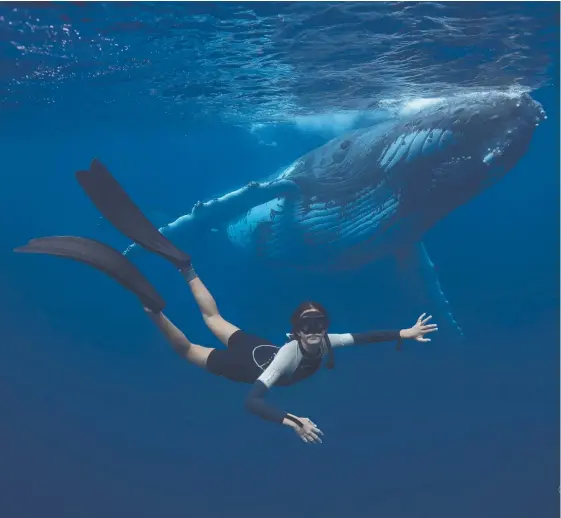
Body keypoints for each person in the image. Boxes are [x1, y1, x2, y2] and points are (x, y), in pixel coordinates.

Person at [14, 159, 438, 444]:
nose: (316, 335)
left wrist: (404, 332)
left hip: (254, 343)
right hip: (251, 362)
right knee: (185, 349)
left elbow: (364, 337)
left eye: (319, 328)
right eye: (310, 329)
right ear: (295, 334)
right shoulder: (290, 356)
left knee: (214, 317)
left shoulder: (327, 342)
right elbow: (252, 401)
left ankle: (184, 267)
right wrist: (290, 420)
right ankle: (154, 308)